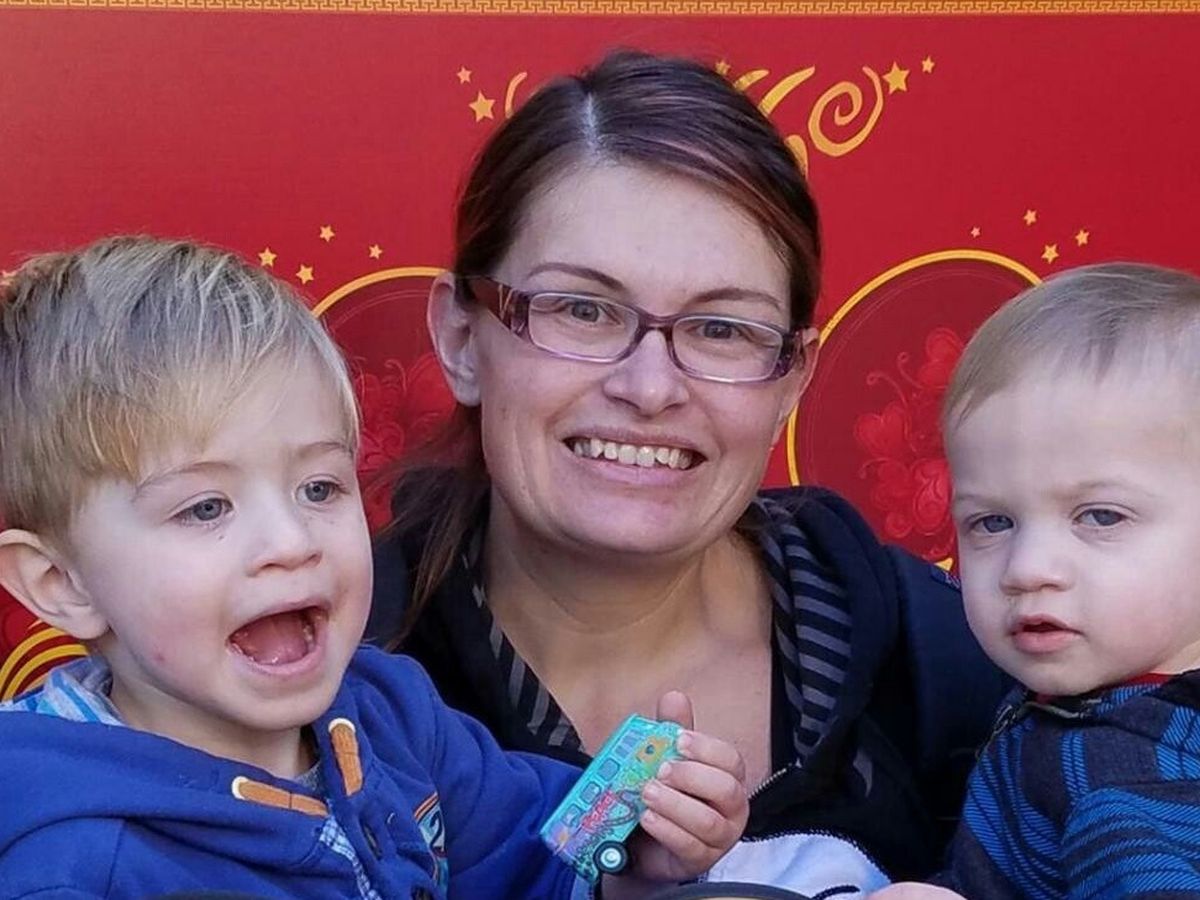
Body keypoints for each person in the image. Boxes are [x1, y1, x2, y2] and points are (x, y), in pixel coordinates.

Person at [368, 49, 1009, 896]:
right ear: (461, 340)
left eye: (721, 329)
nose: (649, 389)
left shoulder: (956, 664)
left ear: (792, 380)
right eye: (583, 310)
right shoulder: (326, 681)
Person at [0, 236, 749, 899]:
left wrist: (630, 858)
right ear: (60, 584)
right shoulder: (73, 865)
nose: (292, 541)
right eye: (205, 508)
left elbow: (530, 859)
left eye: (319, 488)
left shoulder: (390, 713)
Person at [874, 263, 1200, 899]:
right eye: (992, 522)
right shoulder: (1086, 708)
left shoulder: (1132, 781)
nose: (1026, 569)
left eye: (1100, 516)